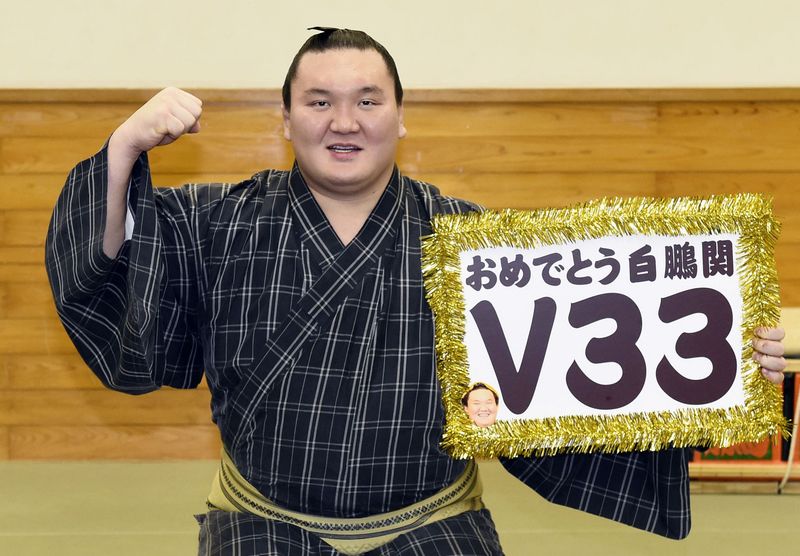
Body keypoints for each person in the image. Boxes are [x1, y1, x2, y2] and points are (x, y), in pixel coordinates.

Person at [45, 28, 787, 555]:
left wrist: (723, 367)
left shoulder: (474, 246)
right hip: (263, 527)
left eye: (368, 101)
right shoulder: (219, 221)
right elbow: (114, 269)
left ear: (402, 116)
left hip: (432, 526)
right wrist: (124, 148)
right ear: (286, 118)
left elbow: (581, 384)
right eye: (319, 102)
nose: (344, 122)